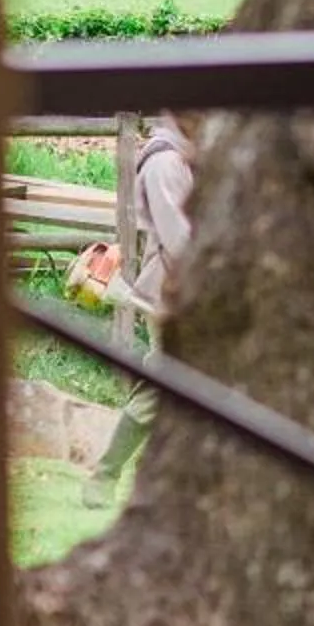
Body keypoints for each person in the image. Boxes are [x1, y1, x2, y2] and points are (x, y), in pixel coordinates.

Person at [74, 113, 195, 507]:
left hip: (186, 294)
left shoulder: (183, 158)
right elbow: (179, 242)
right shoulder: (165, 163)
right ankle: (104, 477)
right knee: (159, 388)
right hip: (171, 295)